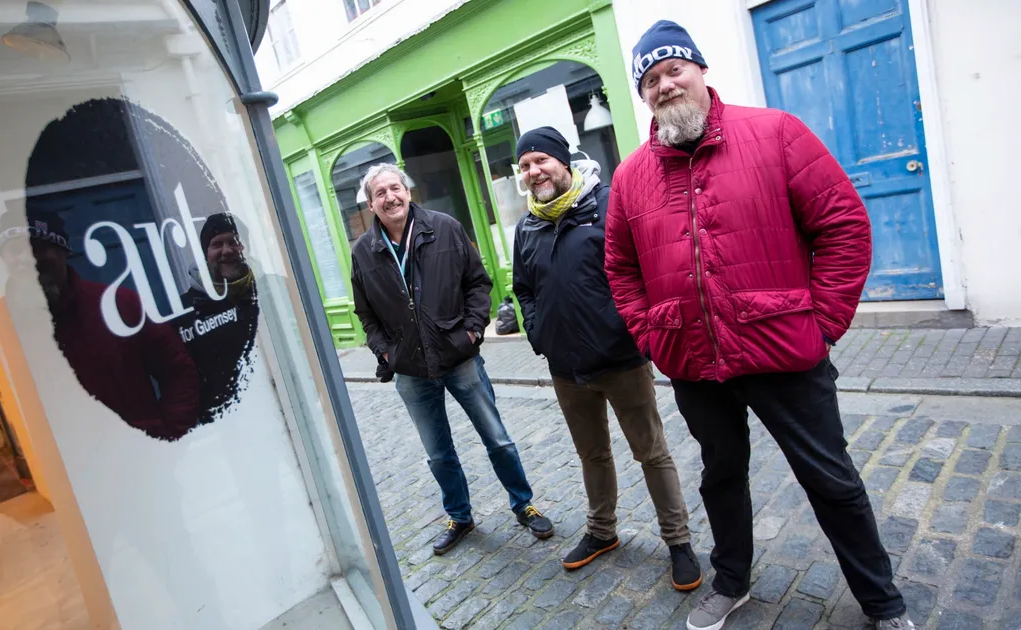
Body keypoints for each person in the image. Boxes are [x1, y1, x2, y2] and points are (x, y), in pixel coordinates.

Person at [605, 20, 912, 630]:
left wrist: (823, 323)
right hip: (694, 359)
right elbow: (620, 267)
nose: (666, 85)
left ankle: (883, 603)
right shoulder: (630, 176)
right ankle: (731, 583)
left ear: (699, 70)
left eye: (674, 70)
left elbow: (843, 226)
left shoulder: (775, 132)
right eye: (651, 80)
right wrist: (651, 333)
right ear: (643, 95)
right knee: (721, 477)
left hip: (784, 350)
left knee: (831, 479)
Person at [511, 127, 700, 588]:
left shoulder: (607, 204)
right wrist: (539, 334)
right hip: (566, 368)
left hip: (621, 358)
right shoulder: (528, 226)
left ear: (563, 161)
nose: (534, 171)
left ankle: (678, 541)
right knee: (591, 454)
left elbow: (643, 270)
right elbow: (524, 289)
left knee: (651, 451)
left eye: (541, 160)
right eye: (525, 166)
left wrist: (632, 329)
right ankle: (601, 532)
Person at [350, 163, 552, 555]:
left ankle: (523, 504)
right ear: (371, 204)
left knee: (497, 439)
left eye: (395, 188)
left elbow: (477, 283)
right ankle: (460, 516)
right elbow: (366, 314)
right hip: (410, 369)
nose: (390, 197)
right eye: (380, 193)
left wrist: (472, 331)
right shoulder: (364, 251)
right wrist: (386, 351)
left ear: (407, 191)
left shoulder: (444, 228)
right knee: (438, 453)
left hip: (459, 358)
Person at [1, 210, 200, 441]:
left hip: (139, 455)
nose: (28, 258)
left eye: (38, 247)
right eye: (16, 250)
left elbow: (178, 371)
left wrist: (167, 435)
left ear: (63, 250)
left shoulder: (120, 305)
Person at [175, 213, 260, 424]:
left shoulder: (270, 291)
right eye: (217, 244)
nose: (227, 250)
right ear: (206, 254)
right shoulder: (183, 310)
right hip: (222, 422)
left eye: (234, 241)